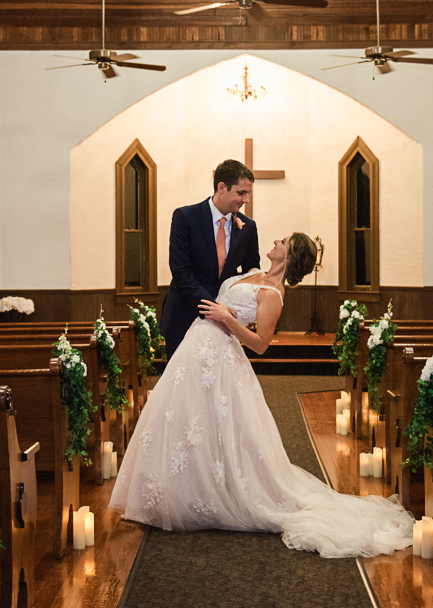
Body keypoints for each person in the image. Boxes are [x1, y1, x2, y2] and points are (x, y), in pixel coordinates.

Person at [109, 233, 414, 558]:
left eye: (282, 241)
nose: (275, 241)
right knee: (185, 420)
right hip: (195, 349)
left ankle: (215, 495)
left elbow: (260, 343)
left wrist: (226, 319)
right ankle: (179, 491)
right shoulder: (250, 273)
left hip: (222, 357)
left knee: (220, 426)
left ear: (290, 255)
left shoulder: (273, 294)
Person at [159, 159, 261, 359]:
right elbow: (180, 271)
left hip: (224, 324)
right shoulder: (185, 217)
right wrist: (214, 309)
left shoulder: (248, 227)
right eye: (241, 193)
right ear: (221, 187)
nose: (246, 199)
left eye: (248, 193)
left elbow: (251, 271)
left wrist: (244, 307)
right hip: (185, 314)